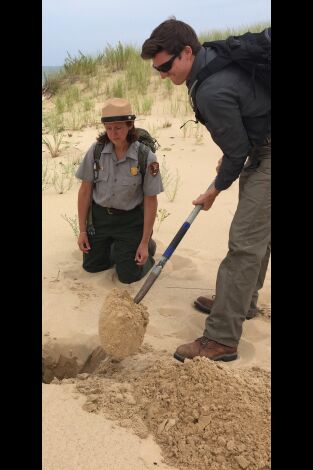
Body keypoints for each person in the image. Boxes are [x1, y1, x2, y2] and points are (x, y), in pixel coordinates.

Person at [141, 19, 271, 362]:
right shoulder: (211, 56)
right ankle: (241, 303)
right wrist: (236, 155)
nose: (164, 76)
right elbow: (239, 141)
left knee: (244, 243)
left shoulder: (211, 89)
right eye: (158, 71)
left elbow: (234, 153)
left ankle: (221, 338)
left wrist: (214, 190)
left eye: (166, 67)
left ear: (187, 51)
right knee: (258, 236)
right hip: (260, 149)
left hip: (266, 153)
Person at [75, 98, 163, 284]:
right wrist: (82, 230)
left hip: (130, 221)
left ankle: (145, 247)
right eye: (109, 128)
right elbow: (85, 191)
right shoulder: (96, 151)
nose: (113, 133)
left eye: (119, 128)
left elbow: (150, 200)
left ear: (130, 125)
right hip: (100, 219)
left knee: (128, 276)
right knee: (91, 266)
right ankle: (117, 247)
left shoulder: (145, 156)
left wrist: (145, 242)